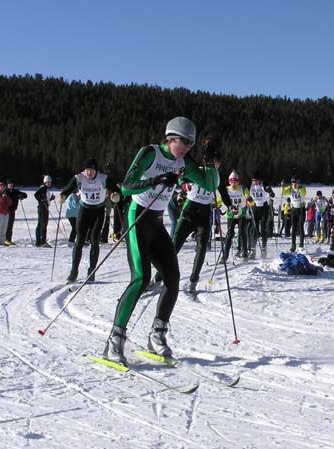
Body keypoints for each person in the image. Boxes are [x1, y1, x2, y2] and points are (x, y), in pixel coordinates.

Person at [103, 116, 206, 365]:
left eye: (191, 144)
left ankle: (157, 335)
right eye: (184, 142)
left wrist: (211, 163)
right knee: (141, 278)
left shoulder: (183, 162)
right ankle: (114, 340)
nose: (188, 147)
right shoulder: (150, 153)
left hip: (157, 222)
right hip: (137, 216)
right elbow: (126, 187)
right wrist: (155, 180)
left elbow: (209, 184)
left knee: (172, 278)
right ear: (171, 138)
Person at [169, 137, 220, 295]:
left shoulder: (216, 176)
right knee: (174, 245)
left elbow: (223, 192)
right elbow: (180, 181)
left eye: (218, 163)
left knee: (202, 247)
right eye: (213, 162)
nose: (215, 165)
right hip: (190, 210)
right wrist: (184, 185)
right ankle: (158, 277)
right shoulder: (197, 170)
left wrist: (226, 204)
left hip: (205, 212)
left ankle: (193, 280)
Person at [60, 158, 109, 283]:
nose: (89, 173)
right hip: (84, 210)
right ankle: (73, 272)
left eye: (92, 170)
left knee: (94, 240)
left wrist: (115, 194)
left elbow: (115, 186)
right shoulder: (79, 178)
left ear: (95, 170)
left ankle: (91, 272)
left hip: (98, 211)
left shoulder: (103, 178)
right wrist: (64, 195)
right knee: (79, 240)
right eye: (87, 170)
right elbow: (69, 187)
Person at [221, 170, 250, 261]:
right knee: (229, 235)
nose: (233, 183)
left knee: (242, 232)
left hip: (242, 214)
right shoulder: (226, 190)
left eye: (235, 181)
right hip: (231, 215)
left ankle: (245, 252)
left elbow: (247, 195)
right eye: (231, 181)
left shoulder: (242, 188)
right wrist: (216, 204)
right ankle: (225, 255)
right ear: (229, 181)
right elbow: (220, 199)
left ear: (238, 181)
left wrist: (249, 199)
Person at [248, 172, 275, 258]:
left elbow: (270, 191)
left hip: (263, 208)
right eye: (253, 181)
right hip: (255, 208)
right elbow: (248, 195)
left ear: (259, 180)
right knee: (254, 229)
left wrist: (270, 192)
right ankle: (253, 250)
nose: (254, 182)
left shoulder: (264, 184)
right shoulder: (250, 186)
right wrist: (249, 198)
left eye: (256, 181)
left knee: (263, 229)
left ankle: (263, 249)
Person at [282, 178, 306, 252]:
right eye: (293, 183)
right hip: (294, 209)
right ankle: (293, 245)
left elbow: (303, 193)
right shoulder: (290, 189)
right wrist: (282, 186)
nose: (294, 185)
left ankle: (301, 245)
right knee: (294, 228)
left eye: (295, 183)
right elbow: (284, 192)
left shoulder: (301, 188)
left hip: (301, 209)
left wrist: (300, 187)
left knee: (301, 227)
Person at [4, 179, 27, 245]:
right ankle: (6, 240)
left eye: (12, 184)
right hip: (6, 211)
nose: (10, 185)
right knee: (7, 226)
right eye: (9, 184)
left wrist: (21, 196)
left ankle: (9, 240)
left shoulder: (15, 191)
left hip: (12, 211)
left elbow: (25, 195)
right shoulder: (5, 191)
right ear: (7, 185)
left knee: (10, 226)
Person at [34, 175, 55, 247]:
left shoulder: (47, 189)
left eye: (50, 182)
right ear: (45, 183)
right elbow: (36, 195)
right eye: (47, 182)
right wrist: (41, 200)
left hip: (45, 208)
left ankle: (39, 241)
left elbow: (45, 197)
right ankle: (42, 241)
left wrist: (50, 198)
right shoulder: (43, 188)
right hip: (42, 208)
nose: (49, 184)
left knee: (41, 224)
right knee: (43, 225)